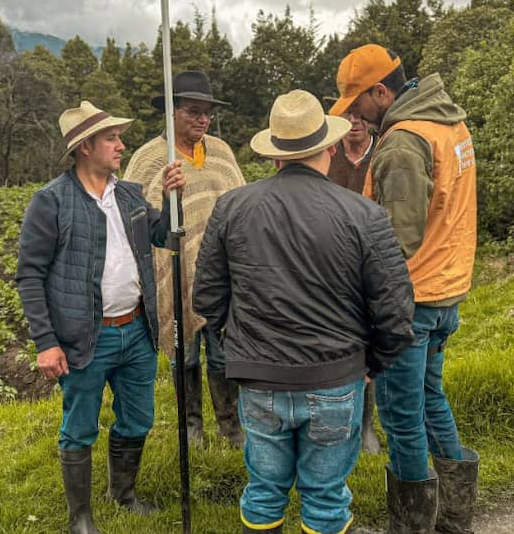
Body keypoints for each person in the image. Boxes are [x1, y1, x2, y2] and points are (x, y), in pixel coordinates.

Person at [193, 89, 415, 534]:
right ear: (329, 148)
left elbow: (207, 298)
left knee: (263, 490)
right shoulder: (364, 215)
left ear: (274, 154)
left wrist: (239, 347)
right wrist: (371, 364)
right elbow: (395, 311)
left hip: (258, 379)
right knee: (326, 498)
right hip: (335, 377)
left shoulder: (232, 207)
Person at [15, 100, 186, 534]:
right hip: (85, 336)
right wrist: (46, 342)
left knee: (138, 419)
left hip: (137, 329)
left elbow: (164, 236)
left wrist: (171, 200)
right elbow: (30, 276)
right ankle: (81, 517)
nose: (121, 145)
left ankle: (123, 495)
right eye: (111, 138)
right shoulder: (50, 202)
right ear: (85, 146)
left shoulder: (129, 194)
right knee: (80, 427)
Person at [331, 44, 480, 533]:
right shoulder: (449, 123)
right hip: (447, 290)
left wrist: (374, 315)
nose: (352, 113)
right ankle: (456, 518)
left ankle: (411, 525)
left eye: (356, 102)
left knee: (400, 418)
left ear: (381, 90)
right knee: (431, 398)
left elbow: (396, 241)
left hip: (411, 301)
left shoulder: (401, 142)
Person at [124, 70, 247, 448]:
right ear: (172, 112)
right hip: (174, 273)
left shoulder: (222, 153)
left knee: (225, 353)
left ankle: (230, 424)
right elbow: (134, 221)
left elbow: (240, 207)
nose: (202, 119)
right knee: (186, 354)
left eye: (207, 112)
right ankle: (191, 425)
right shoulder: (149, 160)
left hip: (222, 275)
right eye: (194, 111)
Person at [327, 95, 382, 456]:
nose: (355, 120)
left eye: (360, 114)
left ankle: (366, 426)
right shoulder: (328, 157)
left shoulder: (383, 153)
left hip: (374, 260)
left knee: (372, 342)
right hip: (333, 263)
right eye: (348, 114)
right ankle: (336, 421)